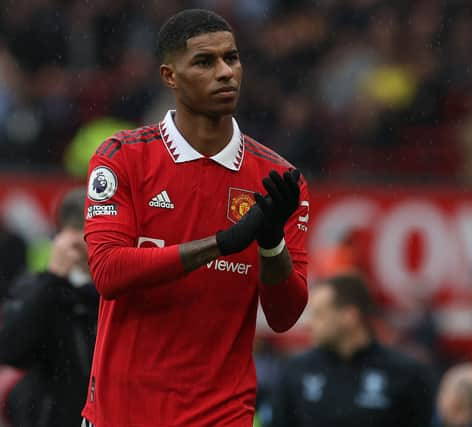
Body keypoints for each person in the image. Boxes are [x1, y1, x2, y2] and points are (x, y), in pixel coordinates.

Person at [80, 9, 310, 427]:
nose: (225, 73)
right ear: (170, 76)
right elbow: (108, 271)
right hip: (122, 413)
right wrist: (222, 243)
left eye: (232, 58)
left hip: (220, 415)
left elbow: (285, 316)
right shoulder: (122, 156)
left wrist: (272, 243)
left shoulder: (278, 179)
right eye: (205, 62)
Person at [269, 274, 434, 427]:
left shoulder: (406, 374)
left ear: (349, 316)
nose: (309, 324)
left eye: (319, 315)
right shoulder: (295, 372)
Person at [0, 188, 99, 427]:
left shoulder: (119, 290)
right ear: (73, 238)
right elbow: (10, 351)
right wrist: (52, 281)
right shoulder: (40, 290)